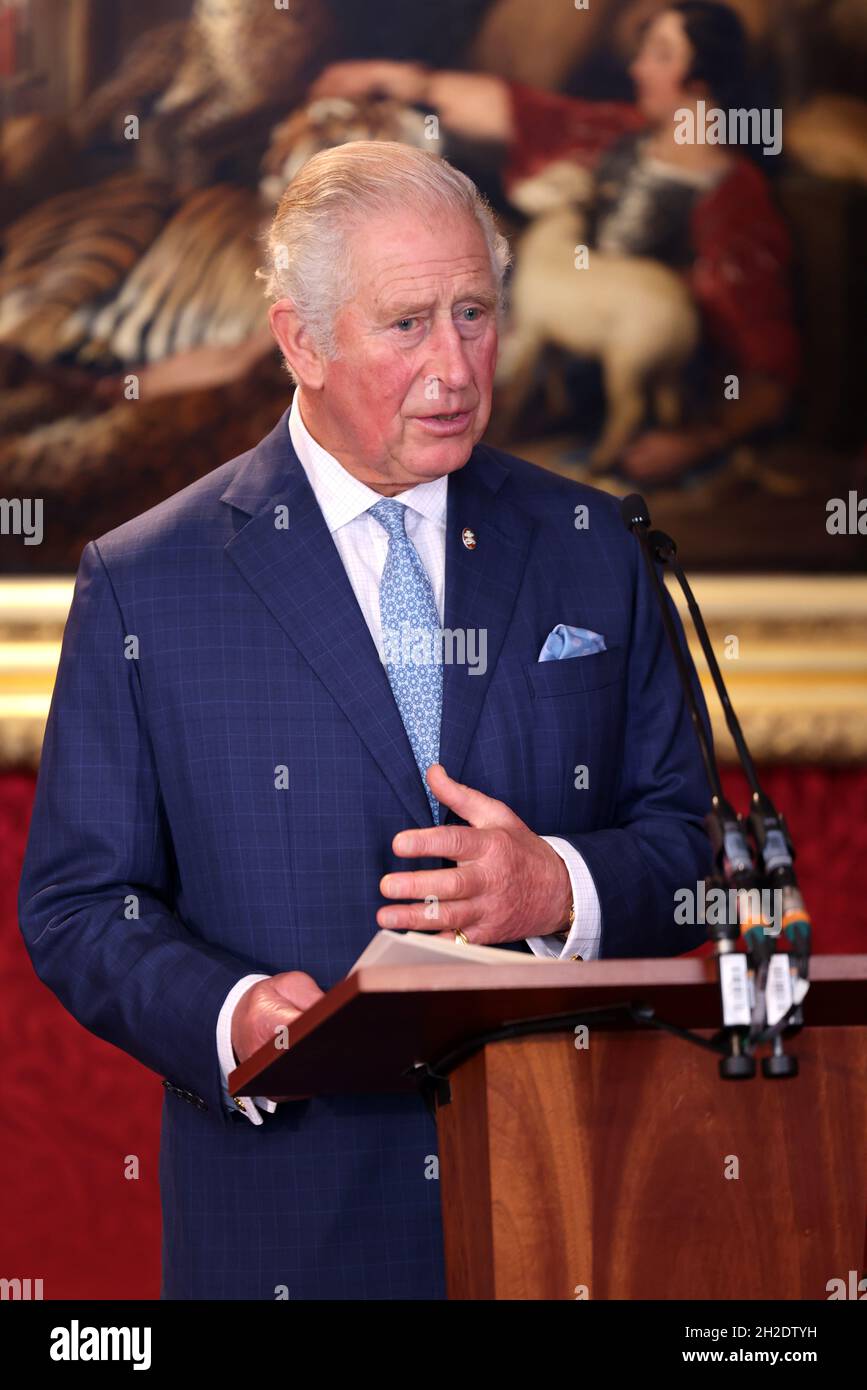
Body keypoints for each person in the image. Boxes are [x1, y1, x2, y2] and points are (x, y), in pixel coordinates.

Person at [19, 140, 712, 1300]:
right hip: (288, 1221)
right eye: (408, 325)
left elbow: (693, 846)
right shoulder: (148, 579)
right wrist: (234, 1015)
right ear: (301, 339)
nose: (456, 367)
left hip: (570, 1214)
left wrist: (560, 890)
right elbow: (80, 903)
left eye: (475, 313)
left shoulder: (601, 547)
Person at [311, 1, 800, 486]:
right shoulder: (619, 135)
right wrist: (393, 78)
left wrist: (696, 441)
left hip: (600, 407)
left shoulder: (732, 198)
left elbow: (769, 371)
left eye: (660, 55)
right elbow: (515, 110)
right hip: (529, 364)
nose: (638, 68)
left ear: (700, 82)